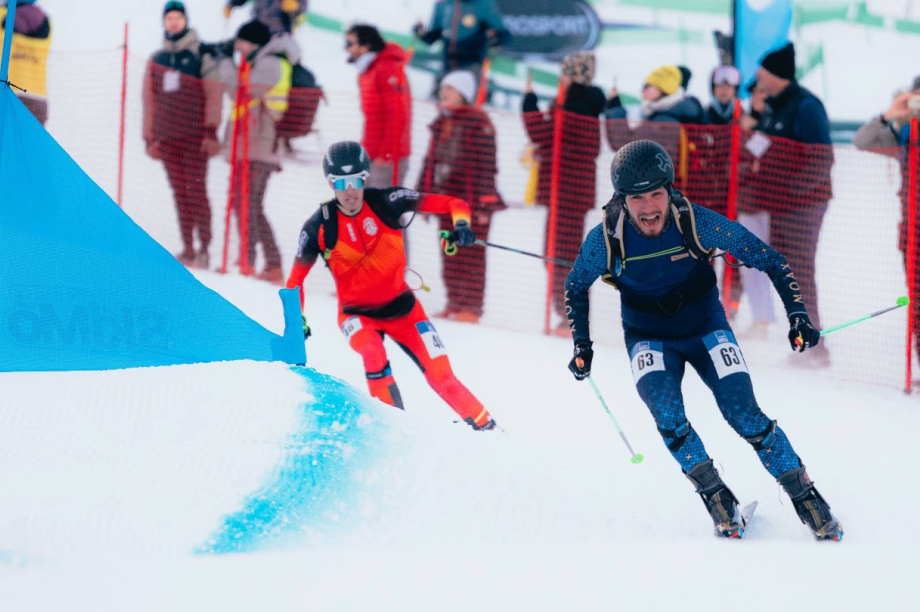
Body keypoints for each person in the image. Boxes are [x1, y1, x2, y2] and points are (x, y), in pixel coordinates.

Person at [564, 139, 843, 541]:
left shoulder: (694, 220)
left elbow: (771, 260)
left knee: (743, 412)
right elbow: (575, 286)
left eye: (656, 194)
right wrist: (582, 346)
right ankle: (716, 496)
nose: (648, 208)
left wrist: (798, 317)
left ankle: (806, 495)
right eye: (636, 198)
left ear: (670, 190)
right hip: (648, 336)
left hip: (706, 327)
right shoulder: (606, 236)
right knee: (667, 415)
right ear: (621, 199)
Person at [285, 141, 497, 431]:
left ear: (365, 177)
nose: (349, 191)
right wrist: (298, 320)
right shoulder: (319, 226)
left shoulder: (388, 200)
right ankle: (392, 429)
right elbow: (294, 282)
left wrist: (461, 226)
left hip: (405, 311)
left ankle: (489, 431)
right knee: (372, 351)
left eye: (356, 180)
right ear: (331, 184)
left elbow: (452, 204)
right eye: (340, 183)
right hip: (357, 316)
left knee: (442, 376)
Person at [755, 42, 834, 367]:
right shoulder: (773, 105)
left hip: (803, 205)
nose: (758, 75)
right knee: (787, 272)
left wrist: (793, 189)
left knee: (800, 270)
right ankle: (803, 340)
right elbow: (764, 146)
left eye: (763, 70)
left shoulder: (806, 106)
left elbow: (822, 159)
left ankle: (816, 346)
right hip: (779, 204)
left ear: (777, 74)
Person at [522, 51, 606, 335]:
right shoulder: (576, 104)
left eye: (566, 73)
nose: (562, 78)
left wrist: (529, 103)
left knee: (562, 256)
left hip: (568, 194)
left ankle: (571, 317)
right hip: (568, 193)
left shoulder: (576, 106)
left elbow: (542, 133)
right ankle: (566, 314)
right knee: (559, 254)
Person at [417, 70, 504, 323]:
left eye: (450, 89)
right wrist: (422, 196)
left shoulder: (480, 123)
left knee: (471, 254)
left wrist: (484, 204)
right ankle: (454, 301)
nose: (443, 92)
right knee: (449, 249)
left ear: (464, 95)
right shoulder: (441, 122)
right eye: (443, 87)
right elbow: (429, 161)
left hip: (471, 201)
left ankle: (472, 307)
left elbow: (487, 166)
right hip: (446, 198)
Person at [143, 1, 222, 269]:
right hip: (168, 138)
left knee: (196, 191)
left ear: (186, 20)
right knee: (180, 193)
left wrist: (211, 130)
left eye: (178, 17)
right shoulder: (158, 60)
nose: (174, 22)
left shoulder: (201, 56)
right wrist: (149, 136)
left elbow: (214, 93)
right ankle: (188, 247)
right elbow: (149, 99)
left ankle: (204, 248)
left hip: (196, 138)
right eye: (169, 18)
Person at [218, 19, 296, 282]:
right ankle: (257, 260)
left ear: (253, 43)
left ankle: (260, 262)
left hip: (261, 146)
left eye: (241, 42)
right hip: (249, 144)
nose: (238, 46)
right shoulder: (257, 62)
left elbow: (240, 91)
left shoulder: (270, 64)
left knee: (249, 204)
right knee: (247, 205)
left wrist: (225, 63)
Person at [853, 75, 920, 366]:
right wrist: (891, 114)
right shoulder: (903, 131)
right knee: (916, 297)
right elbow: (861, 141)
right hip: (911, 226)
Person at [345, 24, 411, 189]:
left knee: (383, 210)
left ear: (365, 47)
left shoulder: (387, 69)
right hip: (371, 153)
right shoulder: (368, 70)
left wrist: (386, 155)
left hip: (387, 157)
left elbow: (398, 116)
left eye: (350, 44)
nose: (346, 49)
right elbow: (373, 119)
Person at [734, 81, 777, 338]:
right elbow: (742, 163)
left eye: (763, 92)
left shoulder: (768, 124)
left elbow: (758, 160)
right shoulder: (745, 124)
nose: (758, 97)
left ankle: (764, 319)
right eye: (754, 93)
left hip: (773, 205)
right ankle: (760, 320)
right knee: (749, 263)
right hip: (749, 204)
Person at [413, 0, 510, 87]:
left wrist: (491, 41)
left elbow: (504, 35)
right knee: (446, 103)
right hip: (447, 67)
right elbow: (431, 38)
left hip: (471, 67)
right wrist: (420, 31)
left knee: (464, 104)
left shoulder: (483, 4)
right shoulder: (443, 4)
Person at [0, 0, 51, 125]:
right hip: (37, 100)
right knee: (27, 144)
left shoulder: (4, 16)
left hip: (7, 95)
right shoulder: (44, 20)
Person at [223, 0, 307, 36]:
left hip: (279, 32)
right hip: (257, 26)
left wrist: (296, 8)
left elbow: (302, 7)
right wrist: (232, 4)